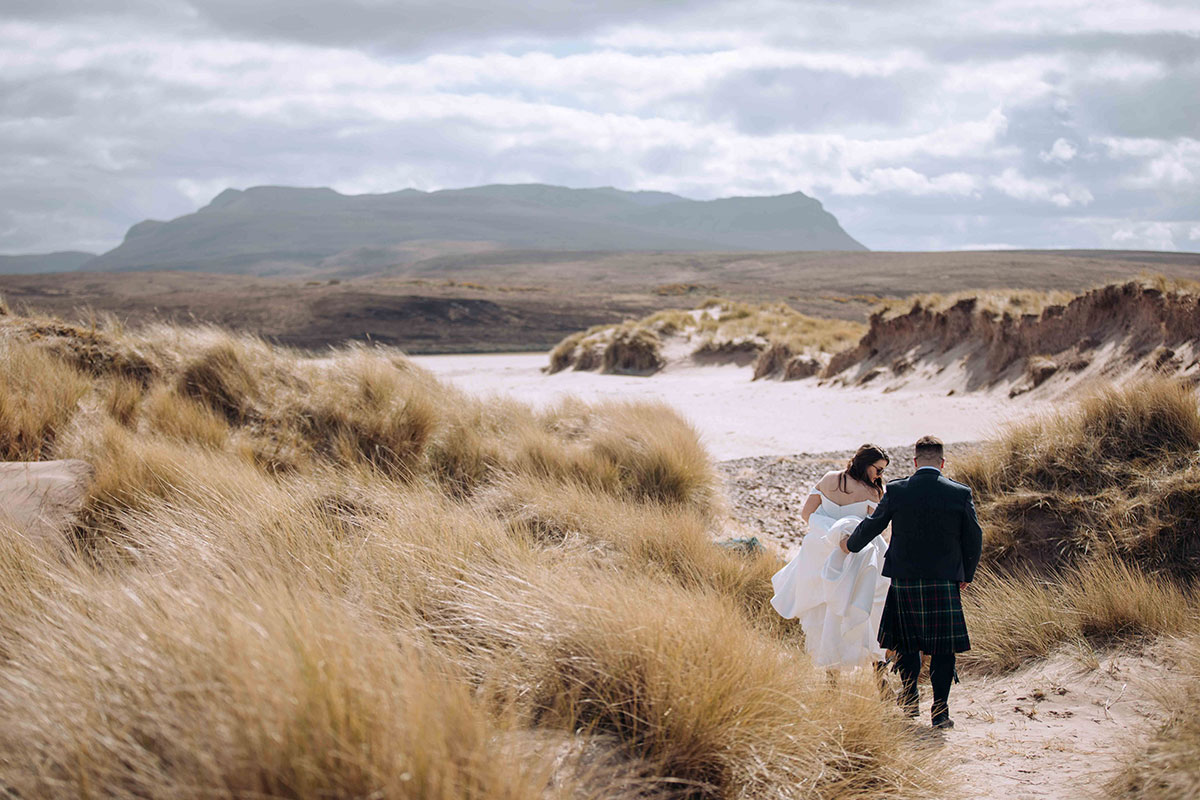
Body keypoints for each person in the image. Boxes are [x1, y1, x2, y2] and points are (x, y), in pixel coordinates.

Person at [841, 435, 983, 730]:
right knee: (943, 650)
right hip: (943, 580)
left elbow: (874, 525)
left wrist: (850, 545)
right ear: (942, 463)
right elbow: (974, 538)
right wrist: (965, 575)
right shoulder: (959, 493)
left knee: (907, 643)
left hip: (905, 579)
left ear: (915, 462)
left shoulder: (897, 490)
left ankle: (909, 699)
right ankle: (940, 713)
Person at [770, 444, 892, 669]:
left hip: (821, 554)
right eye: (879, 469)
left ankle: (831, 676)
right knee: (866, 606)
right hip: (854, 557)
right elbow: (878, 529)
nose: (880, 475)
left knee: (825, 612)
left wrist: (829, 531)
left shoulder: (828, 479)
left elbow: (807, 514)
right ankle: (877, 669)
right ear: (866, 464)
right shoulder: (872, 492)